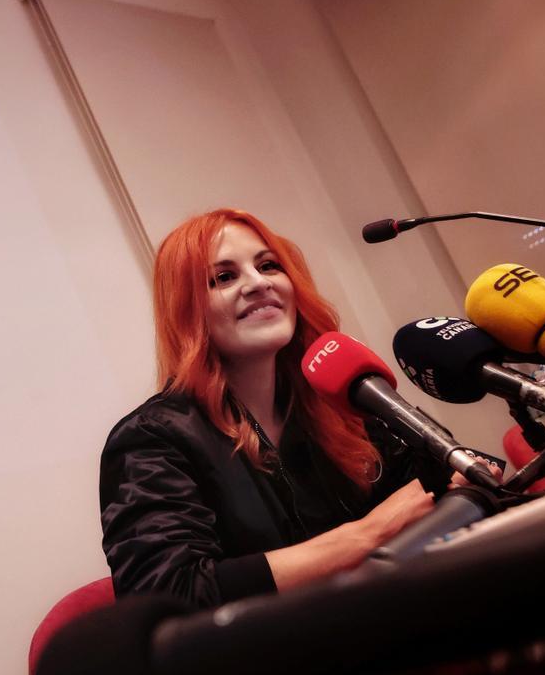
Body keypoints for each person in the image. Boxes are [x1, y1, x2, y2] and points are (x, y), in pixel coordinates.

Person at [100, 208, 449, 610]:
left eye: (268, 265)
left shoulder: (337, 400)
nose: (259, 283)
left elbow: (438, 479)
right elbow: (170, 594)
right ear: (186, 310)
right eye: (224, 277)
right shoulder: (151, 439)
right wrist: (370, 533)